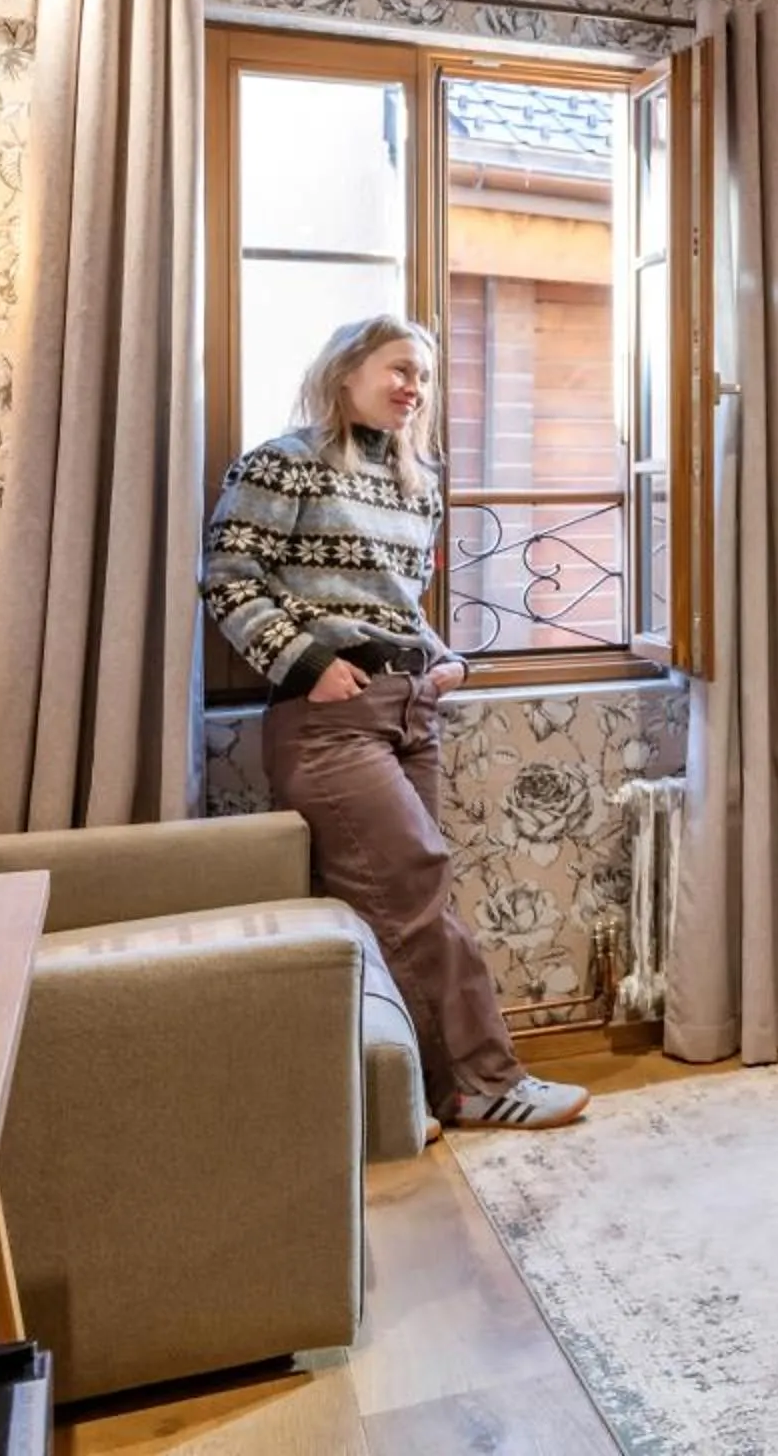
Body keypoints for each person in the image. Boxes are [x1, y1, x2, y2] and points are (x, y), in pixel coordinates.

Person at [200, 315, 590, 1132]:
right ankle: (485, 1080)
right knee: (411, 888)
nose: (414, 389)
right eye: (399, 370)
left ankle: (405, 1098)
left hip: (412, 708)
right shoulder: (284, 463)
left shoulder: (417, 484)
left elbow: (392, 604)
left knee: (400, 902)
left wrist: (446, 658)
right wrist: (309, 664)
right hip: (329, 717)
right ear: (346, 372)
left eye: (423, 377)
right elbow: (230, 581)